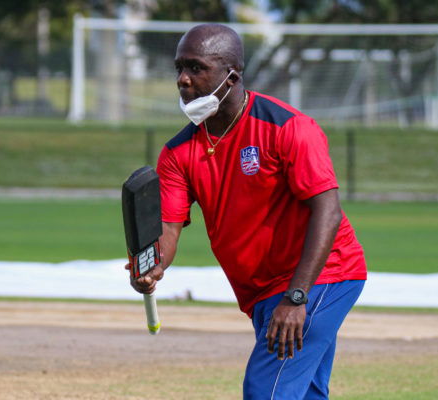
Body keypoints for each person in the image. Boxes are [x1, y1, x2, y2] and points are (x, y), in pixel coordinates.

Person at [127, 23, 367, 400]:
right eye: (179, 68)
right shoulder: (177, 153)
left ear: (231, 76)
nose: (183, 80)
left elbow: (328, 211)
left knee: (265, 391)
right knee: (303, 393)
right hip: (261, 290)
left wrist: (296, 299)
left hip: (321, 276)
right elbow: (169, 230)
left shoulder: (288, 128)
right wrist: (154, 265)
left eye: (196, 68)